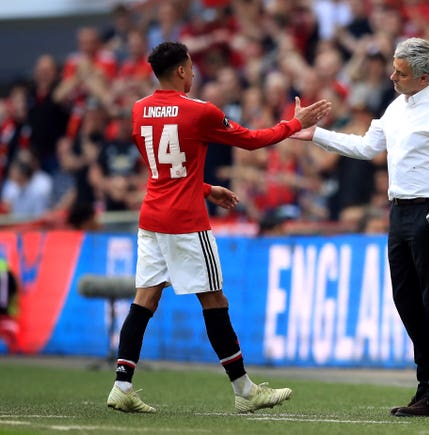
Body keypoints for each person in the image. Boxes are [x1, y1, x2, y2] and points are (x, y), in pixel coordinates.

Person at [106, 41, 331, 414]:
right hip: (185, 222)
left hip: (152, 219)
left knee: (144, 300)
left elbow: (163, 168)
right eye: (191, 67)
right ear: (180, 70)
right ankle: (245, 391)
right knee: (214, 300)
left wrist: (207, 188)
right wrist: (296, 124)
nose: (193, 73)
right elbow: (252, 141)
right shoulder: (199, 111)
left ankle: (122, 385)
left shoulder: (139, 109)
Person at [292, 37, 429, 417]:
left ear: (423, 77)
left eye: (400, 72)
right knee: (406, 300)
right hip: (399, 209)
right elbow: (367, 147)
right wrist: (317, 136)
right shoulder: (397, 107)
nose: (392, 76)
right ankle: (427, 384)